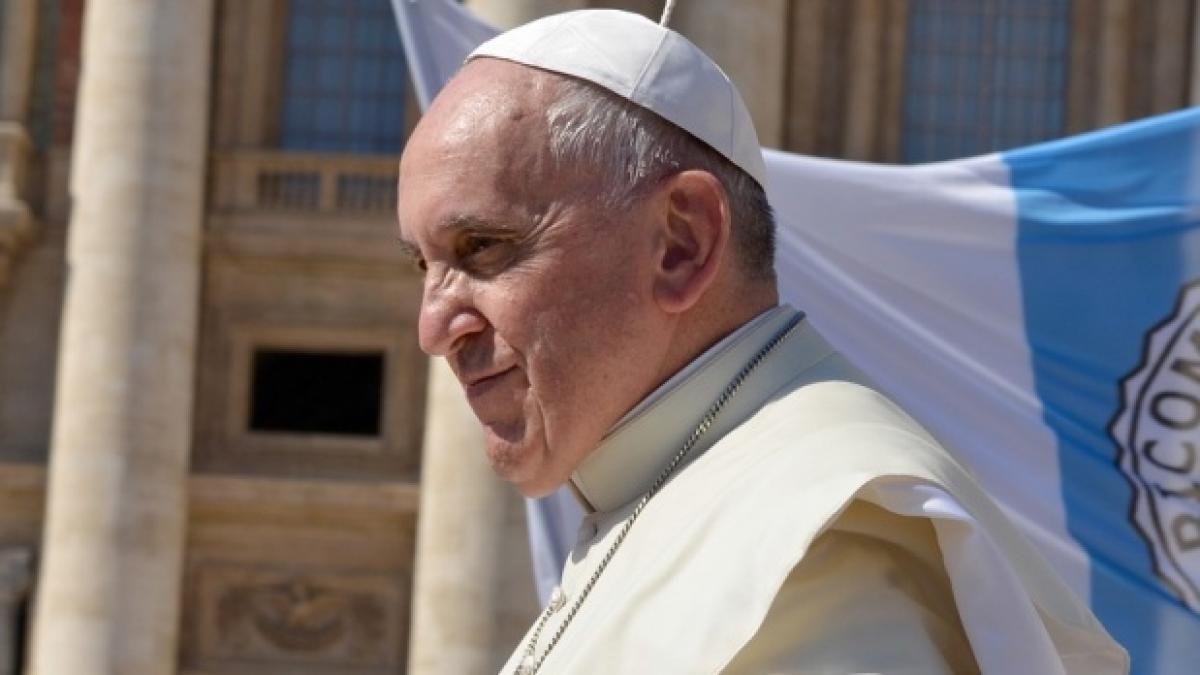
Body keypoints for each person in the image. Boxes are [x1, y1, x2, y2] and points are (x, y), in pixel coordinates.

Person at [396, 9, 1128, 675]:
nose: (434, 329)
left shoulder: (828, 550)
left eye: (483, 247)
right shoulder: (655, 488)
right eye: (424, 265)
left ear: (681, 243)